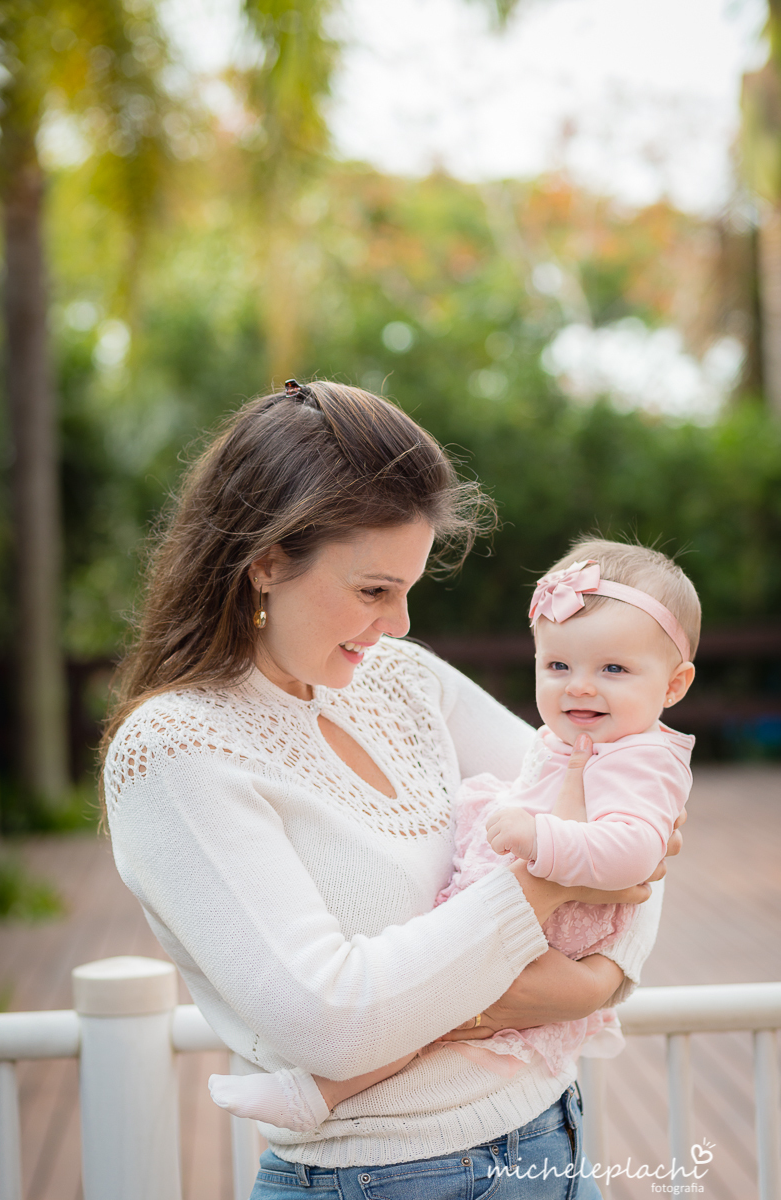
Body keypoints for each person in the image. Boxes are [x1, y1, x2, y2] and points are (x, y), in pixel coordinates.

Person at [102, 381, 683, 1200]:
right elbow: (335, 1023)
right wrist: (547, 891)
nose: (401, 623)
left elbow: (639, 815)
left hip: (552, 1140)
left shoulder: (402, 678)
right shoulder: (177, 750)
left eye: (408, 589)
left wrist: (602, 980)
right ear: (266, 562)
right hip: (384, 1178)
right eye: (374, 590)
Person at [209, 537, 698, 1130]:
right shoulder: (583, 737)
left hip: (550, 939)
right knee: (424, 1011)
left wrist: (547, 855)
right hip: (521, 932)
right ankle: (313, 1095)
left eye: (613, 669)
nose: (579, 687)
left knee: (427, 1014)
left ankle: (313, 1096)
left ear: (674, 686)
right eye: (557, 666)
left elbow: (640, 856)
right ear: (266, 566)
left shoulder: (642, 757)